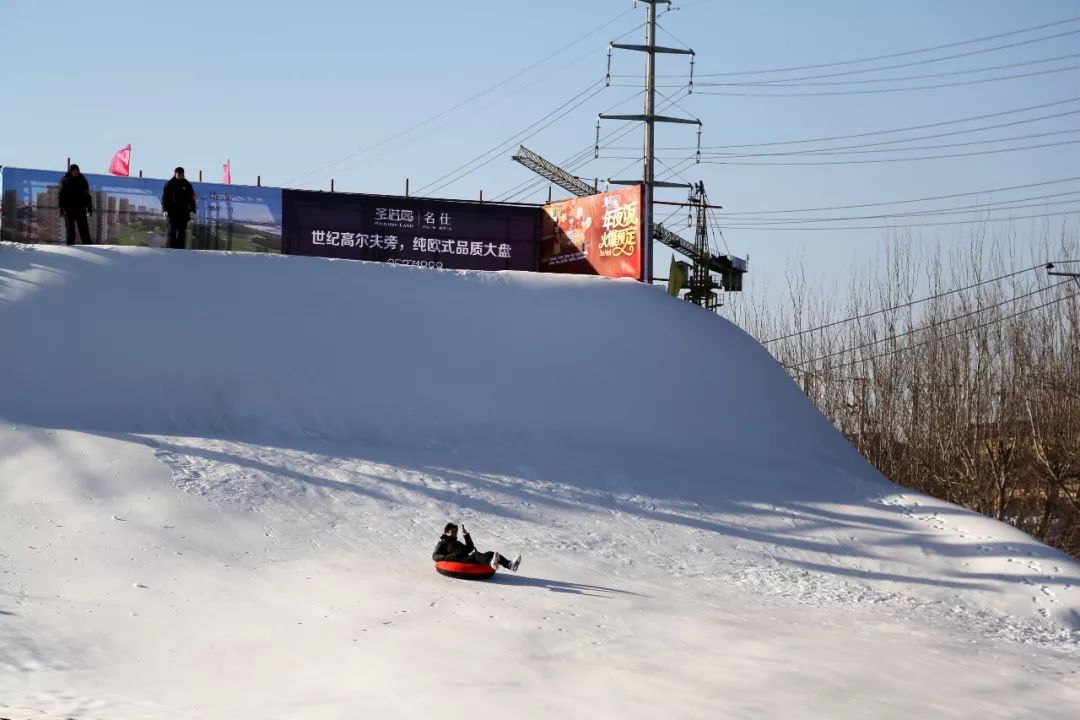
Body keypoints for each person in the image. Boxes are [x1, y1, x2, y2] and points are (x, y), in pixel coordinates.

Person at [432, 522, 521, 572]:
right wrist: (447, 557)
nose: (455, 533)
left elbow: (470, 548)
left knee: (490, 553)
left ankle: (510, 565)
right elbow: (435, 556)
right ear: (447, 532)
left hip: (465, 558)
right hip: (459, 561)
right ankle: (491, 563)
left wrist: (466, 536)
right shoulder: (442, 543)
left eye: (456, 531)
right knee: (475, 555)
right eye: (453, 531)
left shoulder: (457, 543)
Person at [161, 166, 196, 249]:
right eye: (178, 175)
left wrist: (192, 210)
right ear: (175, 174)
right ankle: (170, 249)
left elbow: (192, 198)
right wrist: (165, 210)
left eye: (181, 175)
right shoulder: (169, 184)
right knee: (171, 231)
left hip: (183, 212)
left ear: (184, 174)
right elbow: (164, 198)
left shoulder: (187, 184)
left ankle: (181, 250)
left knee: (182, 232)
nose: (180, 176)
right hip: (172, 212)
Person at [57, 164, 93, 245]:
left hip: (80, 209)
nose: (75, 173)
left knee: (84, 229)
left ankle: (88, 246)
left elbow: (87, 196)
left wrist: (89, 208)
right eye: (74, 171)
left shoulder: (82, 180)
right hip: (68, 209)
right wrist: (61, 208)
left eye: (77, 171)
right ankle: (71, 247)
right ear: (71, 171)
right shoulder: (65, 180)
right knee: (70, 229)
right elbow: (61, 195)